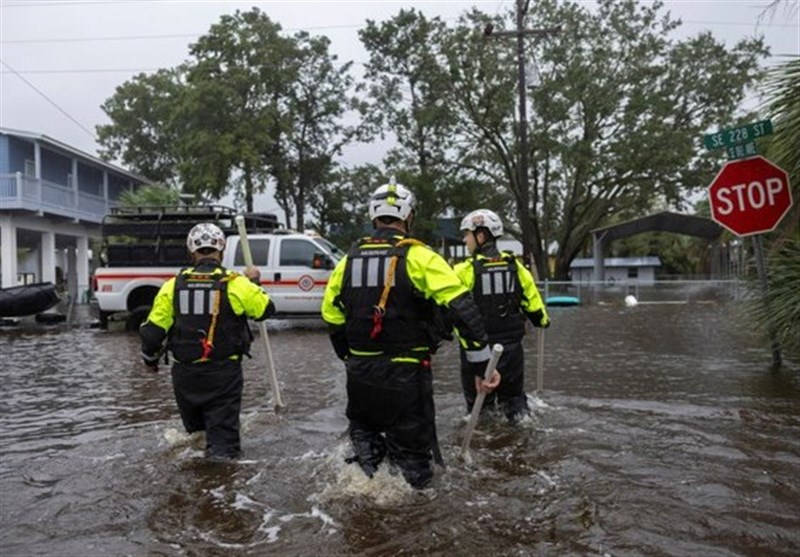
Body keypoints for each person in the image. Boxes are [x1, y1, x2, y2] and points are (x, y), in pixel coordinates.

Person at [321, 179, 501, 490]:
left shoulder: (347, 261)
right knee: (415, 469)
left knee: (365, 457)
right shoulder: (422, 257)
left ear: (373, 217)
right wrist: (480, 365)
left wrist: (349, 356)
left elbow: (331, 314)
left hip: (360, 377)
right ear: (409, 217)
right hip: (406, 377)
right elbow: (462, 309)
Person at [139, 222, 275, 459]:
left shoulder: (173, 286)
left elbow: (152, 333)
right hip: (223, 374)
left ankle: (198, 489)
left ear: (191, 252)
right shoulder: (235, 283)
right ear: (221, 251)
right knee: (224, 448)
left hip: (185, 376)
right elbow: (265, 309)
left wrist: (150, 359)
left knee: (196, 440)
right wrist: (254, 281)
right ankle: (220, 491)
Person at [453, 209, 550, 424]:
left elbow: (452, 309)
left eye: (467, 234)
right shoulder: (517, 269)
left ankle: (483, 441)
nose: (464, 239)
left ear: (480, 236)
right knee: (515, 404)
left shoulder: (462, 271)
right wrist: (542, 321)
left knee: (479, 408)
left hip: (476, 353)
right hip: (511, 352)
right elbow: (537, 311)